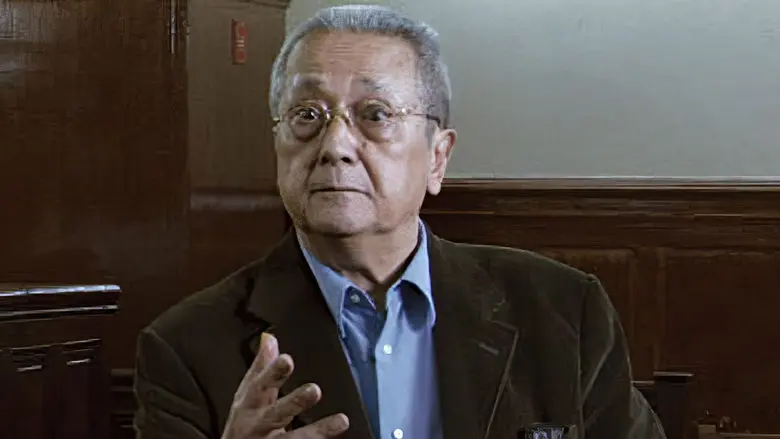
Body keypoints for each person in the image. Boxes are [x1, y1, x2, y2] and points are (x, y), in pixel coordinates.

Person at [133, 5, 666, 439]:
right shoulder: (187, 347)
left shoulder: (563, 311)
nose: (335, 146)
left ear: (438, 157)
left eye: (376, 114)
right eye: (307, 116)